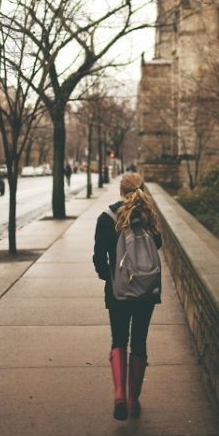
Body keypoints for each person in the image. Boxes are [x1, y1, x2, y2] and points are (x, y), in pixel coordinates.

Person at [93, 172, 162, 421]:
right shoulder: (147, 216)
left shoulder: (107, 218)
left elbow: (98, 258)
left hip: (118, 291)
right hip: (146, 291)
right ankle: (134, 400)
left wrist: (110, 278)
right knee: (139, 341)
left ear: (121, 191)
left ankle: (120, 394)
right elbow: (159, 244)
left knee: (119, 339)